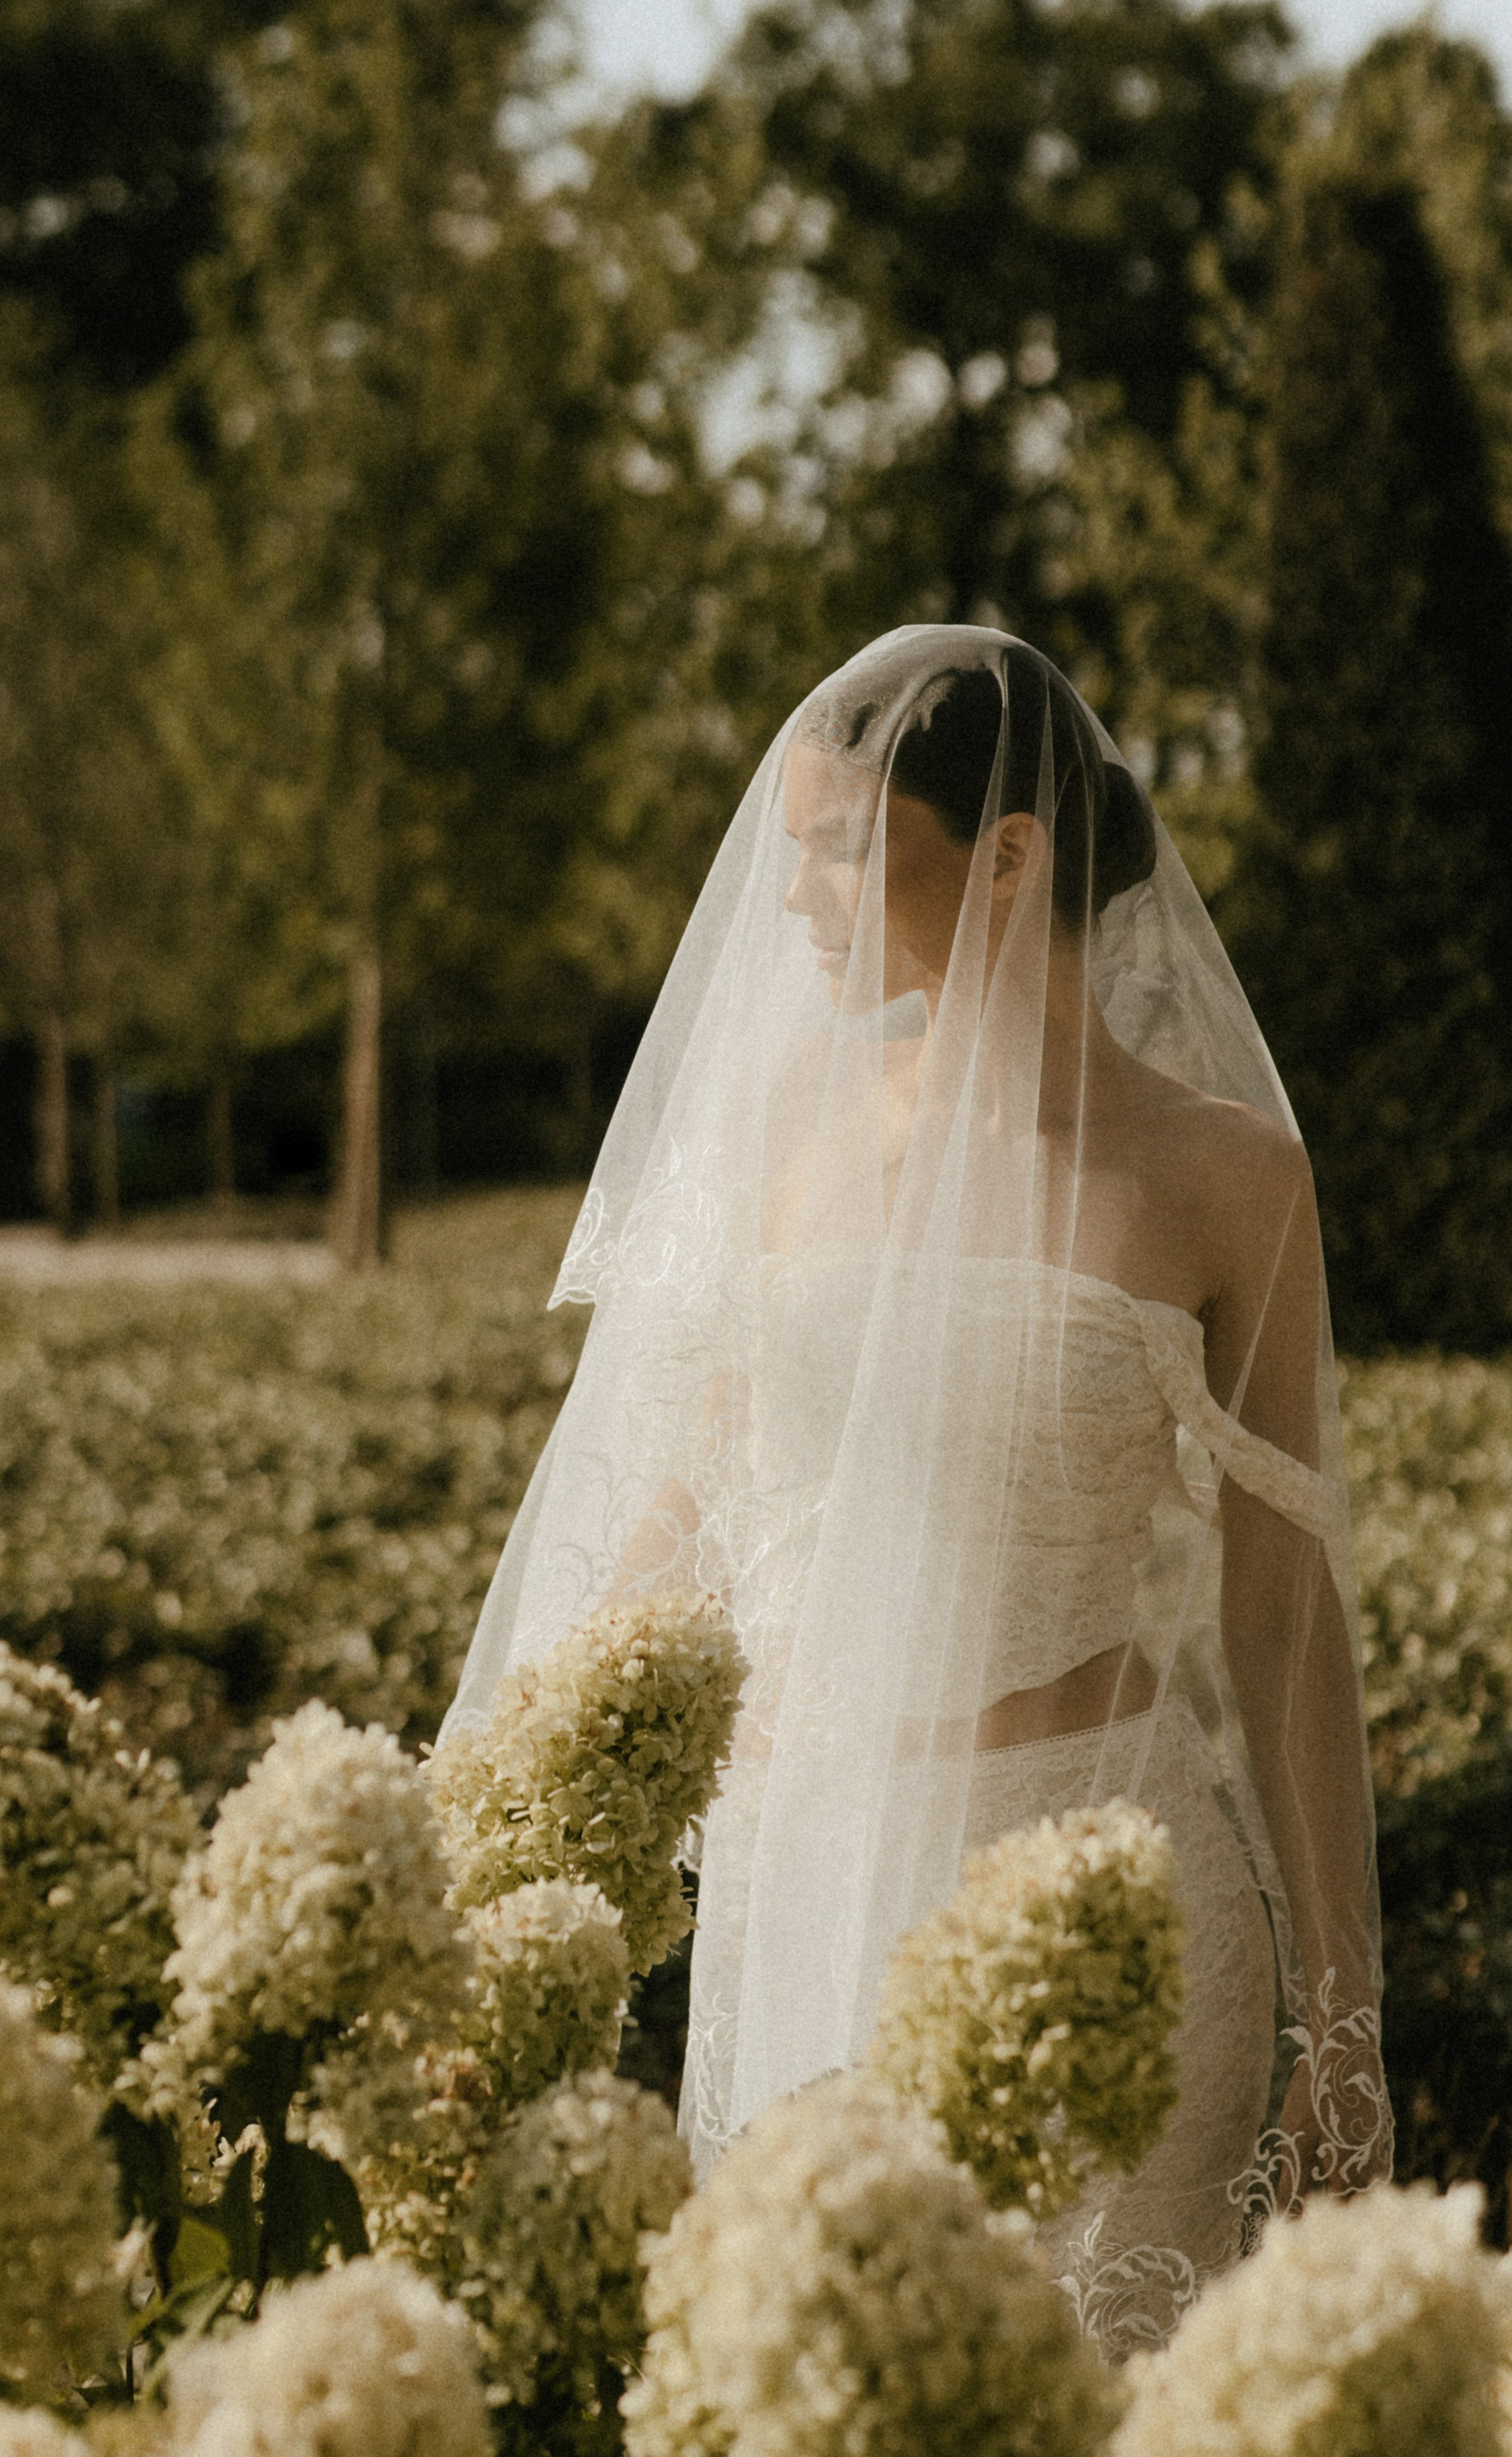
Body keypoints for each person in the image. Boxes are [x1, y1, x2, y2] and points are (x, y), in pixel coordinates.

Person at [441, 626, 1391, 2355]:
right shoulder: (779, 1130)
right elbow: (672, 1516)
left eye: (837, 841)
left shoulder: (1228, 1178)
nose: (786, 888)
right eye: (787, 838)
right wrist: (486, 1844)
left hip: (1121, 1923)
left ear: (1010, 852)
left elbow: (1279, 1613)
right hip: (803, 1894)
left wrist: (1343, 2013)